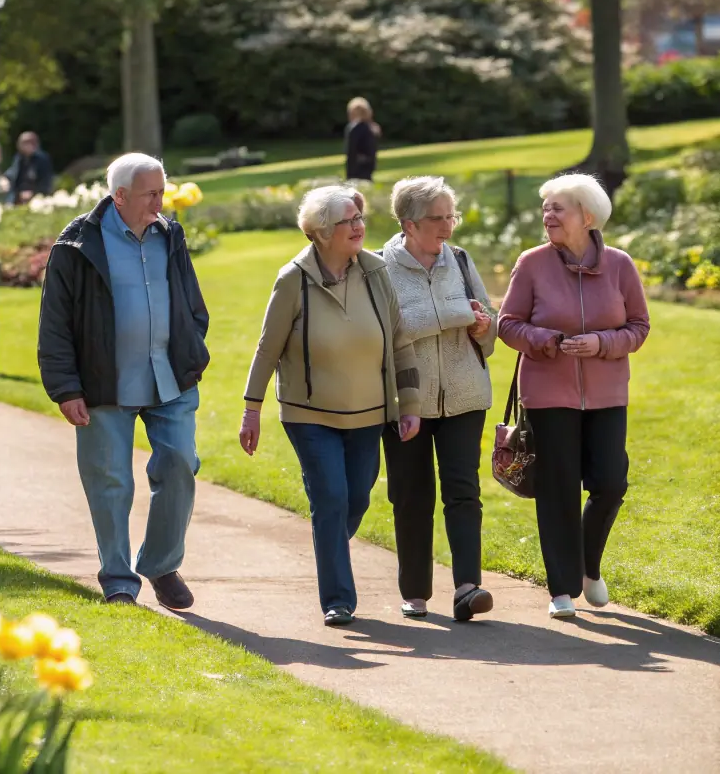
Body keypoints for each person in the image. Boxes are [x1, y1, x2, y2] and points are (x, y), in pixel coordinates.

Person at [238, 185, 420, 626]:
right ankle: (338, 598)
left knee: (355, 496)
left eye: (359, 218)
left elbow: (400, 342)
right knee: (332, 497)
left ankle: (328, 546)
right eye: (348, 221)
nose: (359, 226)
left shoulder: (377, 272)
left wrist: (409, 402)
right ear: (321, 232)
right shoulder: (292, 280)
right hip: (309, 414)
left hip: (369, 412)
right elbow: (267, 348)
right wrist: (252, 407)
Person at [38, 152, 210, 610]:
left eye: (162, 191)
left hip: (170, 377)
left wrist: (193, 343)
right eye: (151, 194)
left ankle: (160, 564)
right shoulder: (75, 244)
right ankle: (118, 578)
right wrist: (66, 388)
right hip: (103, 382)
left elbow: (191, 300)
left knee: (179, 464)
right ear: (120, 196)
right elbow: (54, 323)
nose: (160, 202)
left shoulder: (169, 235)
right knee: (110, 481)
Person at [498, 174, 650, 620]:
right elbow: (507, 323)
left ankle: (587, 566)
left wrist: (601, 343)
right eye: (545, 208)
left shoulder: (620, 265)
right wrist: (546, 339)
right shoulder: (531, 263)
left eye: (557, 208)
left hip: (606, 394)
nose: (548, 215)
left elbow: (638, 326)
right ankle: (562, 588)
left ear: (587, 216)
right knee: (559, 488)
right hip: (548, 394)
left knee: (610, 482)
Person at [382, 177, 498, 622]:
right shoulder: (378, 268)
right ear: (409, 223)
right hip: (406, 400)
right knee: (411, 496)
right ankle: (415, 593)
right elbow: (391, 330)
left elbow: (488, 323)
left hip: (466, 396)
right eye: (439, 218)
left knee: (464, 492)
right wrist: (454, 314)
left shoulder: (462, 260)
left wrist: (485, 331)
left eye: (452, 215)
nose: (448, 225)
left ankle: (469, 587)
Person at [4, 131, 55, 203]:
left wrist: (33, 193)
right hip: (17, 197)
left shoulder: (42, 159)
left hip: (37, 198)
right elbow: (13, 172)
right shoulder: (19, 158)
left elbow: (46, 181)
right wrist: (5, 178)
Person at [344, 97, 381, 181]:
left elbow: (351, 150)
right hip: (367, 165)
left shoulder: (354, 128)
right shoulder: (370, 128)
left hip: (357, 167)